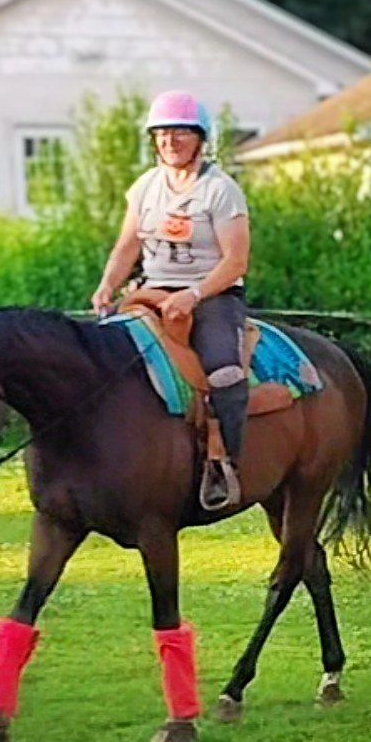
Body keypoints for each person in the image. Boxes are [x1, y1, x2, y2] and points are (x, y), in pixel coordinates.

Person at [92, 90, 251, 510]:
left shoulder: (221, 190)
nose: (169, 141)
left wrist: (193, 295)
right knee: (98, 360)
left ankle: (225, 463)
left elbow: (236, 262)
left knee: (224, 372)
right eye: (161, 133)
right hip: (151, 291)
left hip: (212, 294)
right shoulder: (145, 187)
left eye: (181, 132)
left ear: (201, 139)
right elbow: (127, 246)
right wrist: (108, 285)